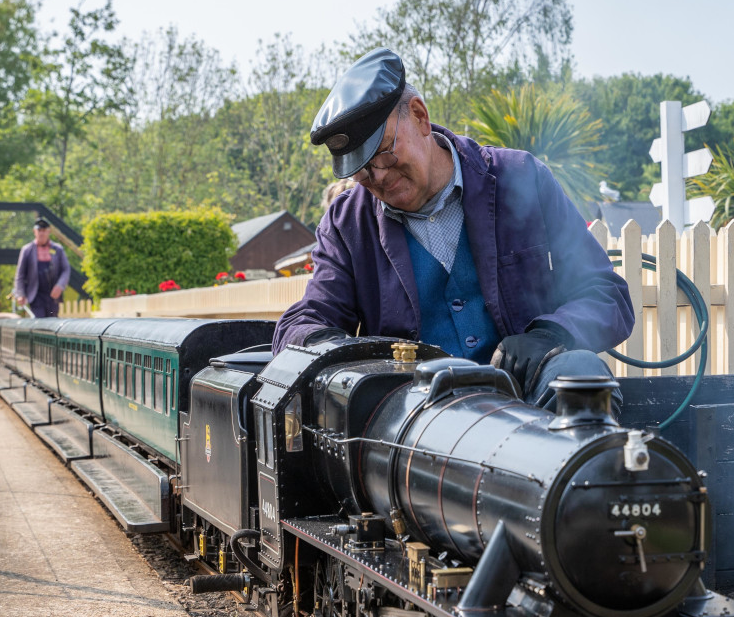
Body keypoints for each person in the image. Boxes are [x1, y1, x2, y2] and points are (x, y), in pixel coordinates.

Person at [272, 48, 635, 413]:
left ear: (419, 116)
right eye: (363, 172)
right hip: (415, 420)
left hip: (531, 400)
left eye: (384, 154)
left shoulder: (522, 178)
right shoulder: (346, 223)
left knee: (580, 375)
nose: (379, 177)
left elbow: (606, 294)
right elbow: (305, 322)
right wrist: (342, 354)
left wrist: (550, 335)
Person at [14, 218, 71, 319]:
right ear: (34, 231)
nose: (41, 233)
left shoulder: (58, 249)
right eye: (39, 230)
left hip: (53, 295)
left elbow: (66, 269)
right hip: (36, 295)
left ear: (48, 232)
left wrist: (60, 286)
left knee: (53, 320)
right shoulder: (27, 250)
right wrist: (20, 294)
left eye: (44, 231)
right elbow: (20, 274)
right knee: (39, 321)